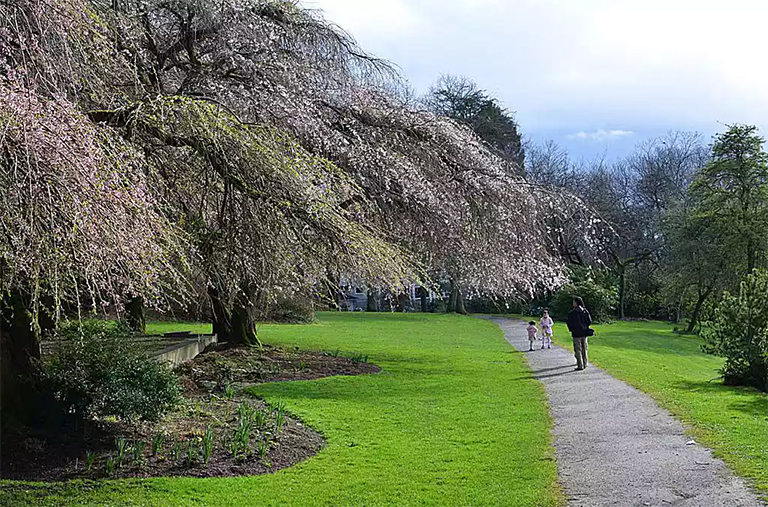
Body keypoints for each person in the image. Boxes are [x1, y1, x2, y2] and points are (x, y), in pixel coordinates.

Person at [566, 297, 592, 370]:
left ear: (576, 302)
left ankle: (580, 365)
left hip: (576, 333)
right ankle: (585, 363)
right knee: (584, 349)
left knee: (578, 349)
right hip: (584, 333)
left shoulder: (572, 313)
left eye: (574, 302)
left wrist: (572, 329)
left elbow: (569, 323)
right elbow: (589, 321)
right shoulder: (585, 311)